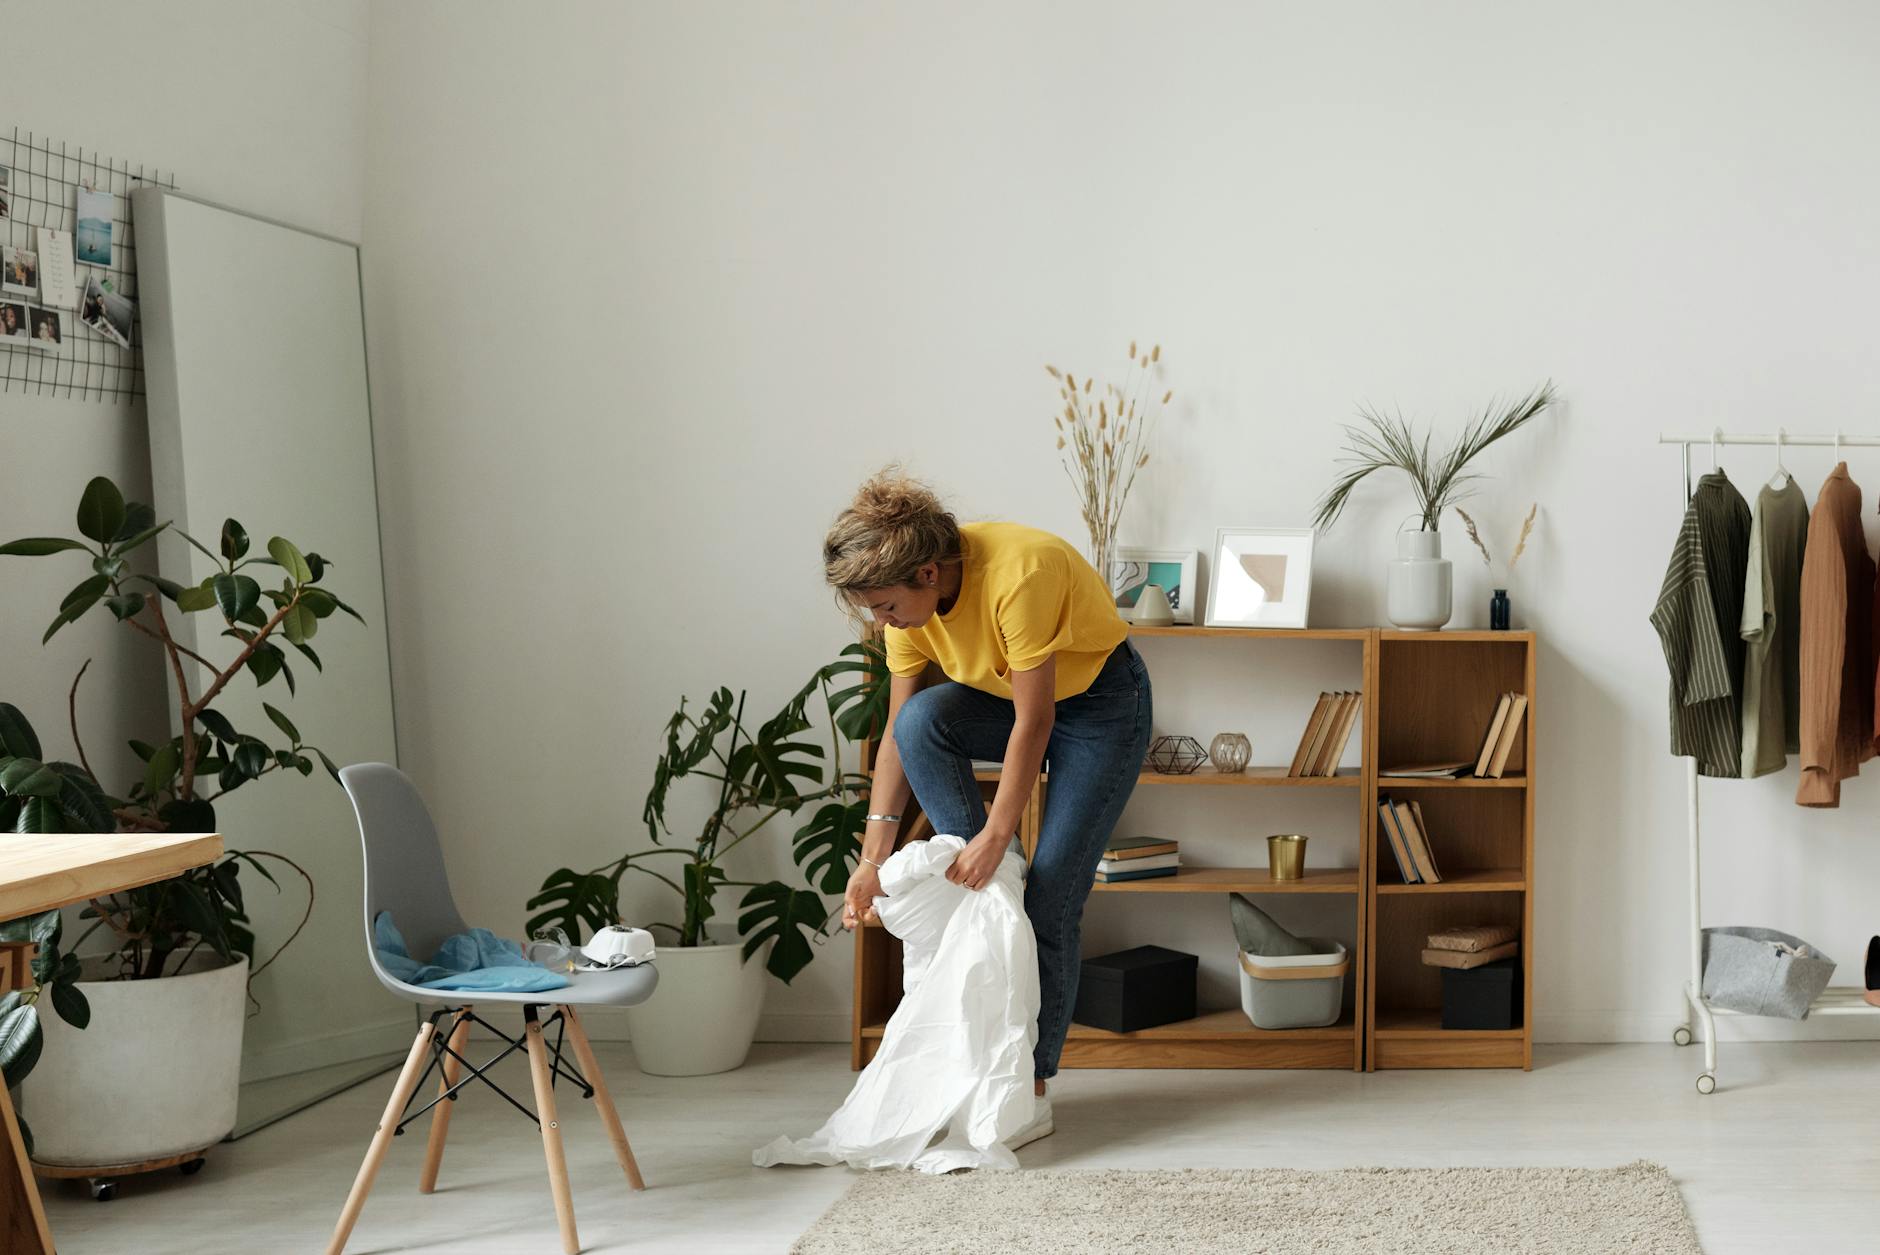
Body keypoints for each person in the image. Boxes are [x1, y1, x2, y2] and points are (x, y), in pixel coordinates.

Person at [823, 467, 1152, 1145]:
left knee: (1051, 894)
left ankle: (1028, 1088)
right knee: (922, 724)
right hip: (1006, 706)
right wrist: (871, 860)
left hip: (1099, 709)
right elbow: (897, 730)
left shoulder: (1018, 574)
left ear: (929, 574)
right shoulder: (906, 612)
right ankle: (982, 889)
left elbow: (1036, 722)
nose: (880, 622)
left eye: (885, 607)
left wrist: (999, 832)